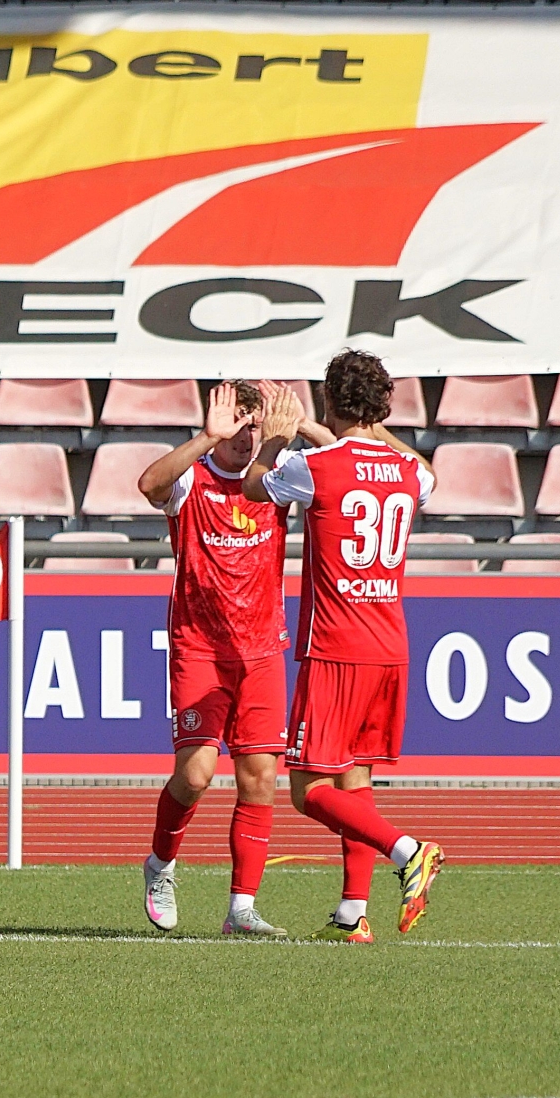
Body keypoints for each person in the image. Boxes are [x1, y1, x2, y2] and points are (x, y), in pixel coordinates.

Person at [244, 351, 445, 943]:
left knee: (309, 790)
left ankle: (408, 850)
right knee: (356, 780)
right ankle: (352, 914)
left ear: (330, 400)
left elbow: (255, 489)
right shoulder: (408, 472)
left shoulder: (317, 467)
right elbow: (421, 472)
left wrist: (277, 436)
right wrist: (337, 428)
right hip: (390, 645)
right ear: (382, 408)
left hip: (336, 644)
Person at [134, 379, 332, 937]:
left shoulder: (277, 475)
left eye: (256, 427)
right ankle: (160, 865)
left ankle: (241, 909)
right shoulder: (191, 479)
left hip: (263, 648)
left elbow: (349, 460)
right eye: (241, 427)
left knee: (260, 779)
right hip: (200, 646)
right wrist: (205, 437)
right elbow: (148, 485)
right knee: (195, 774)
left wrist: (299, 427)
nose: (249, 438)